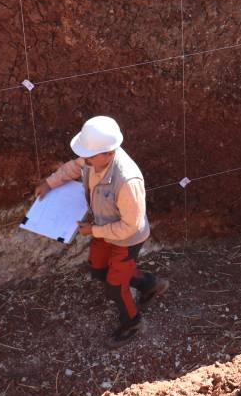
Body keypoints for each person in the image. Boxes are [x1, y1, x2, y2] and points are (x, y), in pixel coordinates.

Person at [33, 116, 168, 347]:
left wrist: (94, 231)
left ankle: (132, 322)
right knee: (98, 271)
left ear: (109, 153)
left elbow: (130, 226)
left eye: (89, 156)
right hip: (103, 228)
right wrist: (49, 183)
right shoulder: (92, 158)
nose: (84, 159)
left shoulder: (127, 181)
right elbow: (74, 167)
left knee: (115, 286)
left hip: (127, 238)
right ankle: (149, 284)